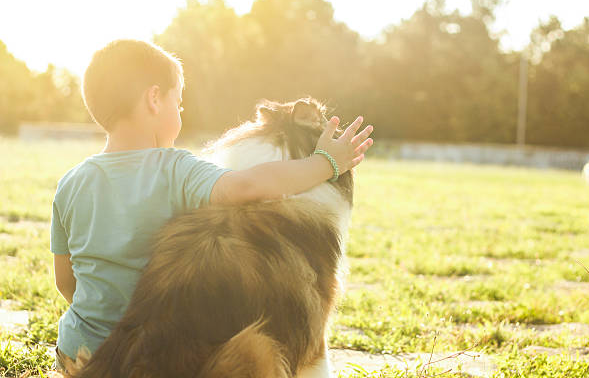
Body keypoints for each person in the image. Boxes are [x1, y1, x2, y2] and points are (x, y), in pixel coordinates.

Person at [51, 39, 374, 372]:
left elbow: (65, 281)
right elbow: (246, 185)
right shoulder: (175, 169)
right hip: (146, 354)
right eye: (179, 104)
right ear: (154, 99)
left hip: (77, 351)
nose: (180, 113)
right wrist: (325, 164)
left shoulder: (71, 183)